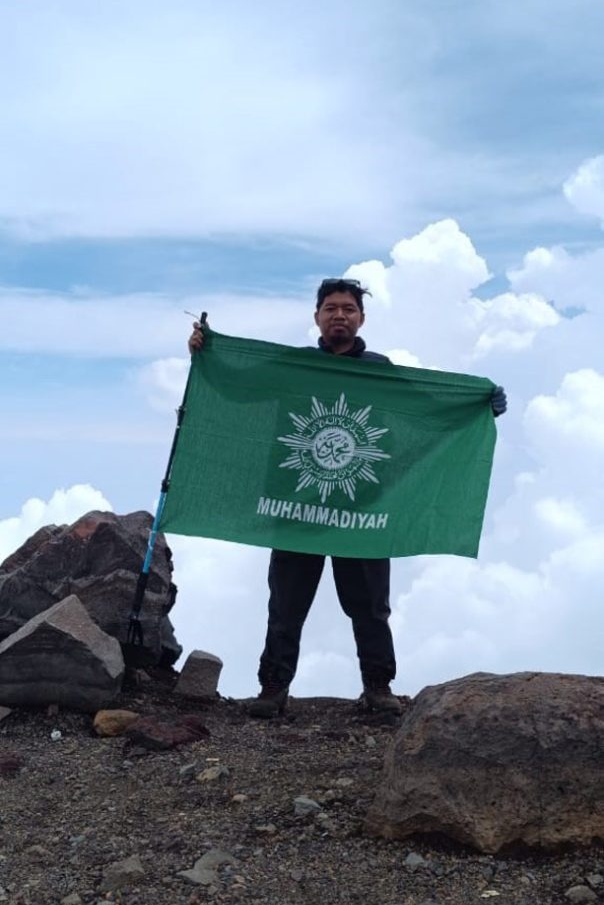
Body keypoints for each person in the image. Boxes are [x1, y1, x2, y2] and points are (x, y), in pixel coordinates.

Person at [188, 277, 507, 718]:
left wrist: (476, 404)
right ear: (316, 316)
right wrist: (208, 353)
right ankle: (273, 691)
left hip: (363, 513)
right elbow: (241, 387)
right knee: (286, 607)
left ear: (361, 318)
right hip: (296, 509)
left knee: (371, 609)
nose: (340, 315)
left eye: (348, 309)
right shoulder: (296, 367)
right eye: (331, 308)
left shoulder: (380, 370)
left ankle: (378, 689)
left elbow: (425, 408)